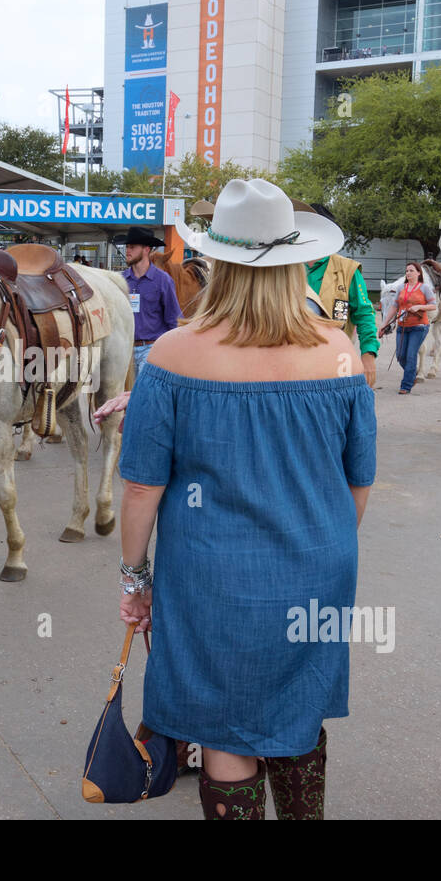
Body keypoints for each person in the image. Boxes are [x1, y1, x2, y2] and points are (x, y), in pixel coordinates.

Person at [120, 179, 375, 820]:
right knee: (299, 706)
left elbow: (143, 485)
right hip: (319, 564)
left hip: (212, 574)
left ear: (218, 266)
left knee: (224, 727)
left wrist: (134, 577)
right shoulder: (340, 353)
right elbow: (359, 479)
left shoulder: (174, 354)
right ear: (295, 263)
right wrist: (326, 547)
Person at [305, 242, 379, 386]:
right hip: (293, 358)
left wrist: (368, 354)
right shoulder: (287, 267)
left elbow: (364, 313)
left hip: (335, 357)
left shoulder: (348, 269)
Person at [117, 227, 182, 375]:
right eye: (127, 247)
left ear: (146, 249)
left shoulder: (163, 280)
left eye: (132, 247)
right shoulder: (120, 280)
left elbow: (174, 319)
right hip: (124, 350)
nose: (127, 250)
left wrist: (177, 353)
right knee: (125, 397)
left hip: (152, 350)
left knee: (146, 396)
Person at [378, 261, 437, 394]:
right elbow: (394, 306)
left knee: (411, 356)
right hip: (403, 326)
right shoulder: (401, 288)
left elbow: (433, 305)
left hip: (419, 327)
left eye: (411, 270)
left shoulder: (424, 288)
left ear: (418, 273)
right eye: (407, 271)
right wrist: (385, 323)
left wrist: (420, 306)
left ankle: (406, 385)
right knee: (400, 355)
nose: (408, 273)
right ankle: (412, 373)